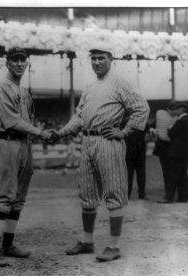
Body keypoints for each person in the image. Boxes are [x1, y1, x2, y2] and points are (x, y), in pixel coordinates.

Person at [51, 45, 150, 262]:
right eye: (93, 58)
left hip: (108, 141)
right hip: (87, 141)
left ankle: (114, 246)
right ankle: (87, 242)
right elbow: (79, 117)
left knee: (113, 192)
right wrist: (61, 133)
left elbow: (142, 108)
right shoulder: (90, 86)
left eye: (101, 58)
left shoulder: (120, 82)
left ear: (110, 58)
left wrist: (124, 131)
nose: (97, 62)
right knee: (87, 195)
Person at [0, 47, 53, 267]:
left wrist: (35, 135)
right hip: (4, 142)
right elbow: (11, 121)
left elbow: (28, 120)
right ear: (7, 63)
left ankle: (8, 245)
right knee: (2, 195)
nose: (20, 63)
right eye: (15, 60)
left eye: (23, 60)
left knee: (18, 197)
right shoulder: (1, 87)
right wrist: (41, 133)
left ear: (27, 63)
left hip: (23, 144)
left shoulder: (24, 92)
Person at [159, 101, 188, 203]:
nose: (176, 110)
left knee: (173, 175)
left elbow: (170, 133)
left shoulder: (180, 121)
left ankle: (169, 197)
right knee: (182, 175)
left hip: (176, 152)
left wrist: (169, 126)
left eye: (178, 108)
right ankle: (183, 197)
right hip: (185, 151)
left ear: (182, 109)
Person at [152, 104, 175, 201]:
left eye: (175, 109)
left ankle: (170, 194)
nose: (173, 111)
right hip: (165, 150)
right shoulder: (164, 118)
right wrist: (152, 130)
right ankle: (169, 193)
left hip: (170, 150)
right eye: (172, 109)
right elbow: (152, 125)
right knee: (167, 173)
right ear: (167, 109)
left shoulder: (176, 119)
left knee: (172, 173)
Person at [125, 123, 149, 200]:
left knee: (134, 174)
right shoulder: (143, 123)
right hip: (135, 151)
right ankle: (132, 194)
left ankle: (138, 194)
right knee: (132, 174)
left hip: (134, 151)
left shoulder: (126, 122)